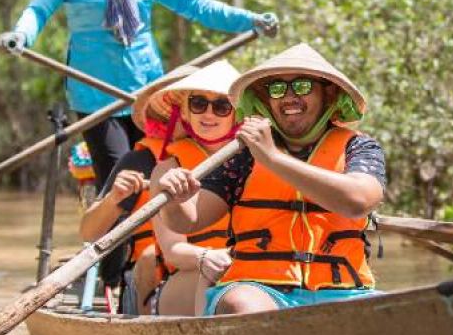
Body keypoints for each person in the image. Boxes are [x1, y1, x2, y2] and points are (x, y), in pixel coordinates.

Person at [0, 0, 277, 188]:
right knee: (121, 179)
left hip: (147, 91)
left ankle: (156, 236)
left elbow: (197, 5)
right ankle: (117, 237)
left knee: (156, 169)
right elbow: (39, 9)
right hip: (95, 94)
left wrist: (251, 20)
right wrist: (21, 35)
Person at [154, 43, 386, 315]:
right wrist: (174, 199)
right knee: (243, 305)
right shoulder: (243, 155)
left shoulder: (359, 148)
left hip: (343, 290)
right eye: (277, 89)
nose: (289, 97)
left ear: (329, 92)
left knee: (393, 313)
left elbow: (358, 201)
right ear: (266, 100)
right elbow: (188, 220)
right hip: (259, 288)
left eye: (302, 86)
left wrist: (273, 159)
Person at [78, 62, 240, 315]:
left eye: (221, 106)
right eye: (198, 104)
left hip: (234, 265)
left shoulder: (247, 158)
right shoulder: (144, 162)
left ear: (234, 113)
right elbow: (89, 233)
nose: (208, 114)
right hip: (162, 274)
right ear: (182, 111)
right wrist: (112, 200)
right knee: (147, 257)